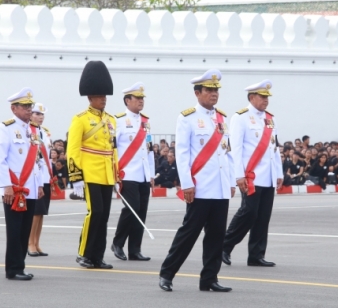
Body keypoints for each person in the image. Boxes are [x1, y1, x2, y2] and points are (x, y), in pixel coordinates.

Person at [159, 69, 235, 292]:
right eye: (209, 90)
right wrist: (187, 184)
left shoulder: (222, 117)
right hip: (200, 187)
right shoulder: (187, 118)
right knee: (189, 233)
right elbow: (182, 154)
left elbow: (227, 152)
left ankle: (209, 278)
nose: (214, 94)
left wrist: (230, 181)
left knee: (216, 236)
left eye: (216, 90)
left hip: (220, 187)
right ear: (197, 92)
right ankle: (167, 273)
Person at [222, 79, 283, 268]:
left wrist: (279, 172)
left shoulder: (269, 119)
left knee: (263, 216)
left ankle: (256, 255)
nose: (266, 100)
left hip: (268, 176)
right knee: (248, 212)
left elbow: (274, 147)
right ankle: (224, 245)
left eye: (267, 97)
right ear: (251, 97)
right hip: (251, 176)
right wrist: (238, 175)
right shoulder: (240, 117)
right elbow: (236, 149)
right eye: (262, 97)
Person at [67, 61, 118, 269]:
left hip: (106, 173)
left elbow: (113, 149)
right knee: (94, 212)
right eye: (99, 96)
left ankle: (97, 256)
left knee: (104, 216)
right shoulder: (80, 119)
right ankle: (83, 254)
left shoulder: (111, 120)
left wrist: (116, 176)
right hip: (88, 173)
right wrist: (75, 178)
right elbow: (72, 150)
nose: (103, 99)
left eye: (104, 96)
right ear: (90, 98)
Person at [0, 88, 44, 280]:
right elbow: (1, 160)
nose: (28, 110)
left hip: (31, 188)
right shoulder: (6, 128)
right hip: (15, 188)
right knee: (15, 230)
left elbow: (38, 160)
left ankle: (21, 266)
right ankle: (13, 269)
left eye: (30, 106)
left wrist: (40, 184)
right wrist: (5, 185)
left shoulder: (33, 130)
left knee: (25, 230)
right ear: (14, 108)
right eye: (25, 106)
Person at [111, 82, 154, 262]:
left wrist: (151, 173)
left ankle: (135, 249)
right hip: (127, 173)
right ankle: (117, 243)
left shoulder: (145, 121)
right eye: (137, 98)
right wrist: (114, 173)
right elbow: (112, 148)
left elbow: (149, 149)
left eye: (142, 98)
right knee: (132, 208)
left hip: (143, 173)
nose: (141, 101)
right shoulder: (118, 120)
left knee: (141, 211)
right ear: (127, 100)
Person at [28, 103, 52, 257]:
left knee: (42, 212)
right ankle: (30, 243)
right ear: (30, 114)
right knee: (35, 213)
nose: (40, 117)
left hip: (46, 177)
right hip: (34, 177)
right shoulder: (28, 131)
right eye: (37, 114)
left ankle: (37, 242)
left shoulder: (45, 132)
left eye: (42, 114)